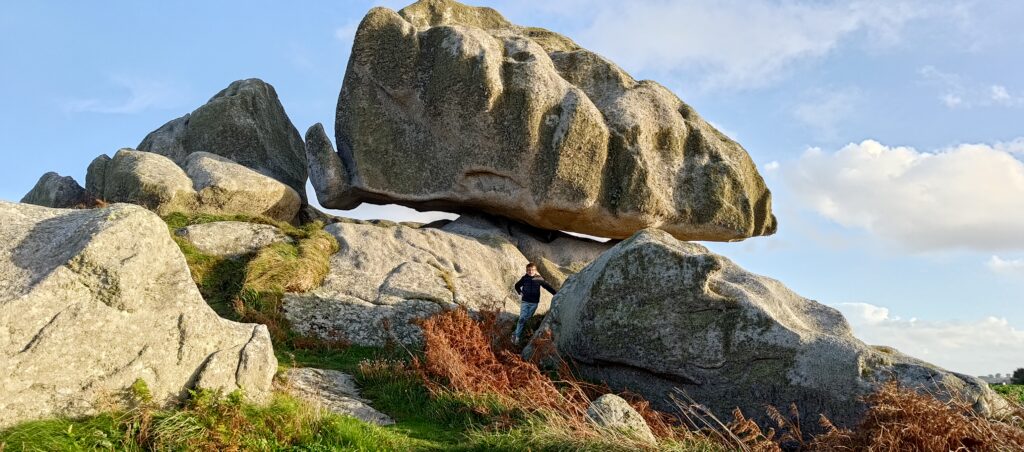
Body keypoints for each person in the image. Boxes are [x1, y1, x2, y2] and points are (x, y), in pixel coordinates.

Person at [512, 262, 556, 344]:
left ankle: (517, 333)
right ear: (526, 271)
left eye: (532, 270)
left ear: (535, 271)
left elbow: (547, 287)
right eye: (528, 270)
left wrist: (556, 293)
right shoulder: (524, 278)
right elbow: (516, 285)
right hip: (525, 301)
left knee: (527, 319)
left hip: (534, 303)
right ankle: (517, 337)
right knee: (522, 319)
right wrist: (520, 292)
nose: (530, 271)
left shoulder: (539, 279)